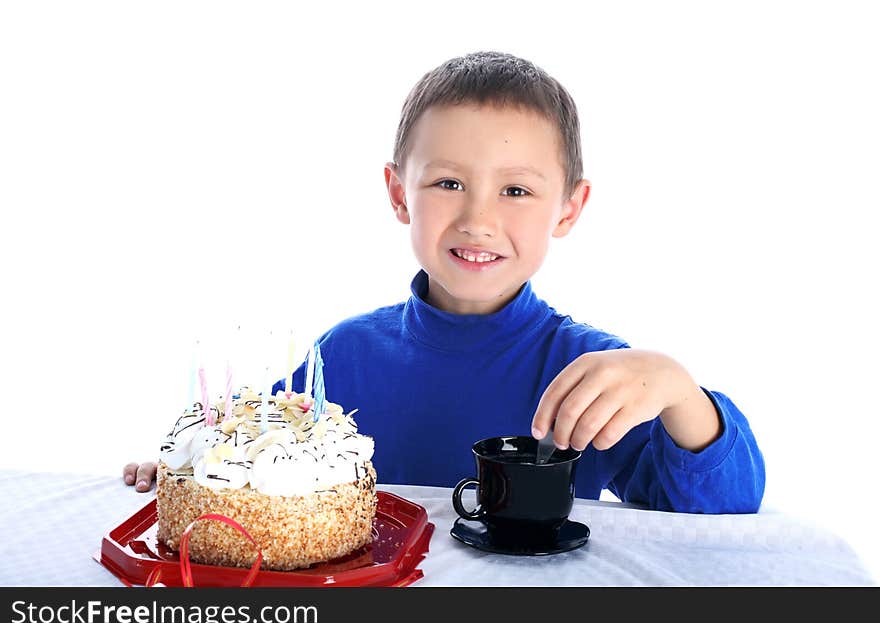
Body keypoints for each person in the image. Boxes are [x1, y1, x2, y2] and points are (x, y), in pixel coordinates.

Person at [125, 51, 765, 513]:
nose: (479, 220)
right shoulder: (346, 354)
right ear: (399, 193)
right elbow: (250, 446)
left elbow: (726, 508)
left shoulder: (590, 369)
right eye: (448, 183)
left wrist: (679, 391)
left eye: (516, 190)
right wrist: (193, 472)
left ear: (568, 209)